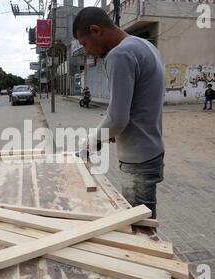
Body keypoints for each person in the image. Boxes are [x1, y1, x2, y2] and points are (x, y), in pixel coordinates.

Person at [74, 7, 165, 219]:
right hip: (151, 150)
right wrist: (110, 133)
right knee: (145, 223)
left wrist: (86, 146)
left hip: (138, 160)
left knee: (139, 231)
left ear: (96, 30)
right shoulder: (144, 46)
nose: (87, 51)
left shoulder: (120, 54)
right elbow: (140, 104)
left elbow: (117, 118)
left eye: (84, 43)